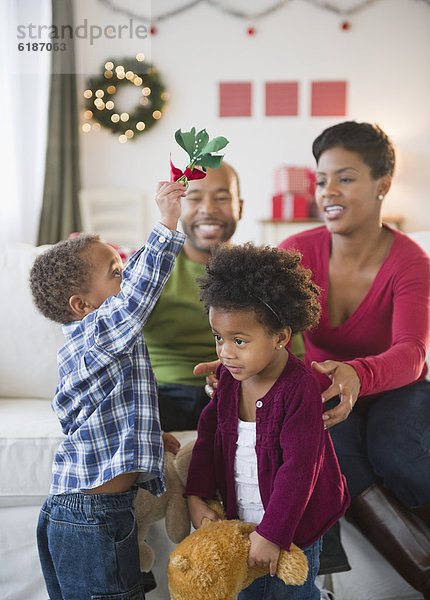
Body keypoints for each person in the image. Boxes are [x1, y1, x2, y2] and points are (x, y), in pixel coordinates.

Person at [277, 121, 430, 597]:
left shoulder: (411, 263)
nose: (328, 192)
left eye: (345, 177)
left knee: (399, 455)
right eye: (321, 180)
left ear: (382, 183)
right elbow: (265, 333)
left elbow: (413, 354)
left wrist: (356, 375)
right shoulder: (295, 253)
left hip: (395, 386)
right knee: (330, 451)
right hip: (324, 390)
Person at [29, 181, 186, 600]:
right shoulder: (96, 334)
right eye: (115, 273)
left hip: (92, 512)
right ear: (82, 304)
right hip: (90, 517)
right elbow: (138, 294)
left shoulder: (105, 337)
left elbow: (112, 411)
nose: (126, 276)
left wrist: (153, 437)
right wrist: (167, 221)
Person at [185, 243, 350, 600]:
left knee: (288, 593)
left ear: (281, 337)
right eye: (219, 338)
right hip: (241, 521)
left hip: (292, 527)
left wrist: (274, 533)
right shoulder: (229, 378)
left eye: (239, 340)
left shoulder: (299, 389)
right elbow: (207, 436)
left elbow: (299, 469)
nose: (225, 352)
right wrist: (196, 495)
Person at [143, 162, 243, 432]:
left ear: (240, 207)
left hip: (236, 393)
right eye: (194, 198)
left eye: (222, 198)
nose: (208, 209)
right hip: (158, 393)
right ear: (178, 205)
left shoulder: (260, 272)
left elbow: (289, 352)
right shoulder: (152, 266)